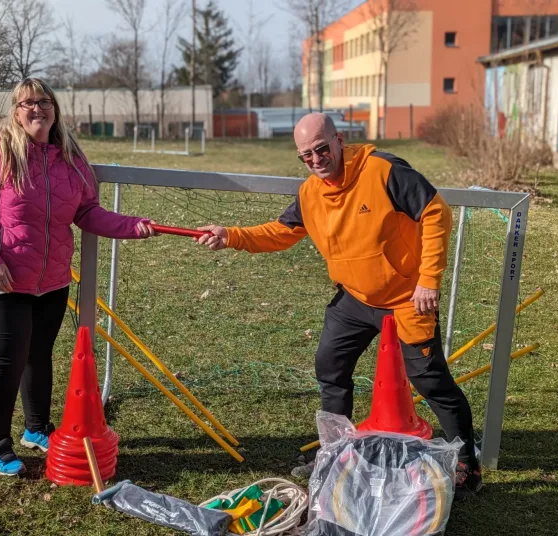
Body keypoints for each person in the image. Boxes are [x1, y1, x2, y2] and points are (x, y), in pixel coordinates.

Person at [195, 113, 482, 496]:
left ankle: (468, 463)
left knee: (431, 382)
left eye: (320, 148)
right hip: (355, 299)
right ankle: (335, 452)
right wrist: (230, 235)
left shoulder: (384, 170)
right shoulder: (310, 193)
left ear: (339, 140)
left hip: (406, 299)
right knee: (330, 365)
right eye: (306, 155)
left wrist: (428, 280)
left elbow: (435, 213)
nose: (316, 159)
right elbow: (280, 232)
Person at [0, 78, 158, 477]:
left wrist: (132, 226)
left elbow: (87, 213)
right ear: (15, 111)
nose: (38, 109)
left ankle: (36, 428)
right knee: (6, 359)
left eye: (44, 102)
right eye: (27, 103)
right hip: (1, 278)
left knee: (38, 354)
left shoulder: (69, 157)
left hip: (50, 278)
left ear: (55, 109)